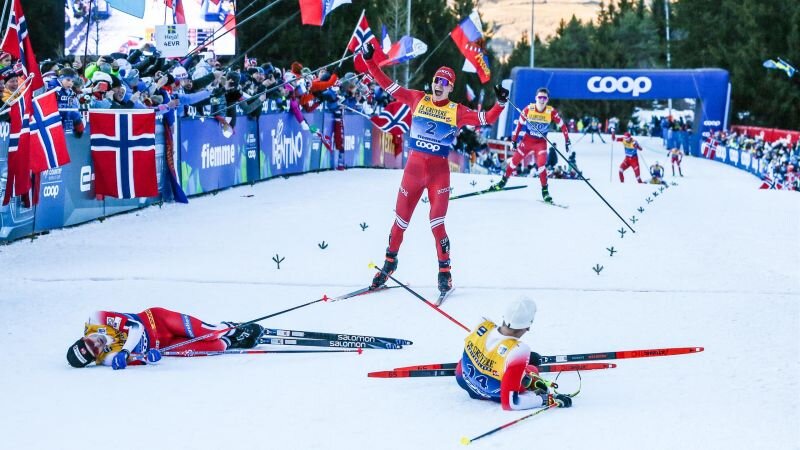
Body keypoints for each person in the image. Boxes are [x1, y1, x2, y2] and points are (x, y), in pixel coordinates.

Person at [358, 44, 508, 300]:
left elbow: (486, 119)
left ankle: (445, 273)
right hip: (413, 172)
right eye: (437, 79)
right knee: (400, 223)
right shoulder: (417, 98)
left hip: (439, 174)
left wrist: (501, 103)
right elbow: (386, 84)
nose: (439, 84)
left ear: (451, 88)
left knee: (437, 225)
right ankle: (389, 264)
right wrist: (369, 60)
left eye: (445, 82)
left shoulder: (457, 111)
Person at [455, 297, 572, 410]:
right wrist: (547, 400)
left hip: (462, 380)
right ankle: (527, 378)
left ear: (504, 316)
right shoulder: (519, 351)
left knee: (523, 361)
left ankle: (512, 369)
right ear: (528, 326)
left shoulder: (483, 322)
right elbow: (510, 403)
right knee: (532, 370)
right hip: (491, 394)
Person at [66, 307, 265, 369]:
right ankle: (236, 341)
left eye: (90, 342)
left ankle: (233, 328)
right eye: (95, 351)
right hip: (165, 344)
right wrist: (148, 358)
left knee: (209, 333)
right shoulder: (106, 359)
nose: (96, 344)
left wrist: (126, 351)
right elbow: (138, 359)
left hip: (158, 320)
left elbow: (134, 327)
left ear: (83, 338)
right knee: (215, 348)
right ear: (96, 358)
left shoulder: (97, 319)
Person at [494, 87, 570, 203]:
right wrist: (514, 140)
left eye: (544, 98)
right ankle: (503, 181)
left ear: (547, 100)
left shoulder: (551, 112)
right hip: (527, 141)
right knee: (514, 162)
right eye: (540, 97)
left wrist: (567, 140)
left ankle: (545, 191)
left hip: (541, 143)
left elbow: (562, 125)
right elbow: (519, 125)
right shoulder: (528, 109)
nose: (542, 100)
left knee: (541, 165)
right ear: (536, 98)